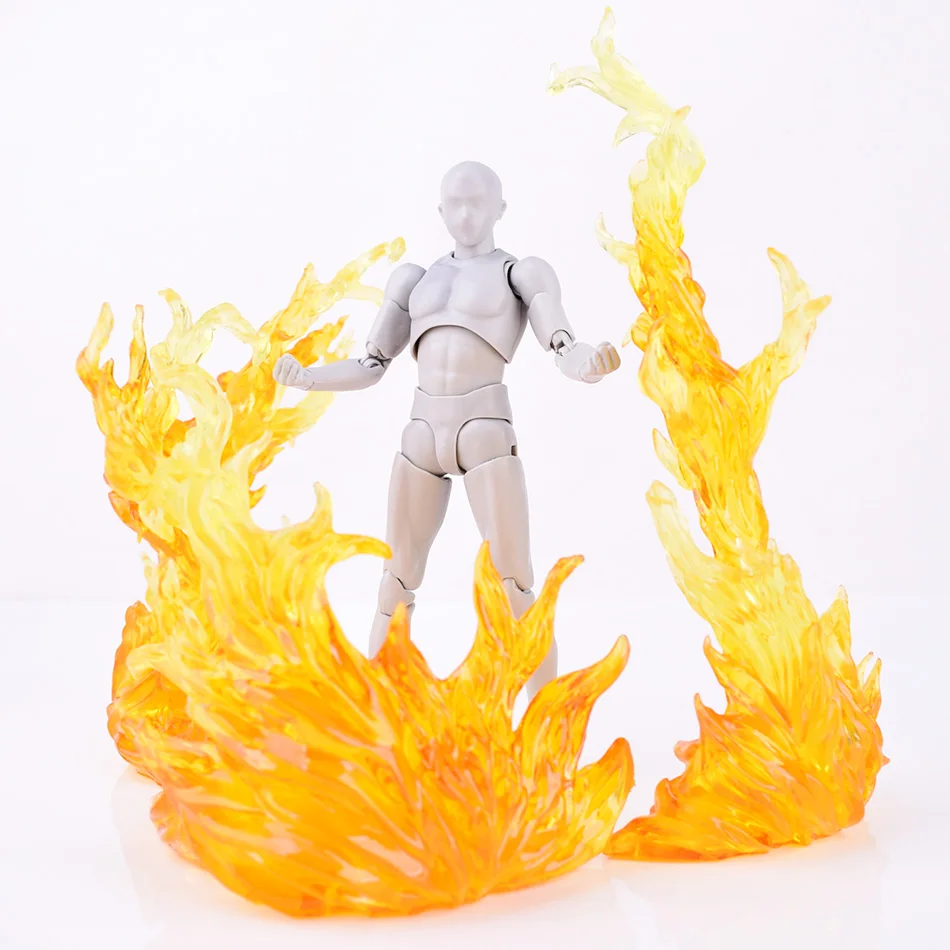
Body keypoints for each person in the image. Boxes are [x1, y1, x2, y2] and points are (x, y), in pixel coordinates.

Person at [274, 161, 619, 697]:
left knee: (514, 585)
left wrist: (587, 365)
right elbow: (371, 364)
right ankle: (382, 717)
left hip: (484, 430)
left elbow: (562, 343)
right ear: (440, 210)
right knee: (394, 585)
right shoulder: (415, 279)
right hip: (421, 433)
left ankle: (545, 721)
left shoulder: (521, 273)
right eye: (455, 203)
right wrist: (309, 378)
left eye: (477, 202)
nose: (465, 213)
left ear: (500, 209)